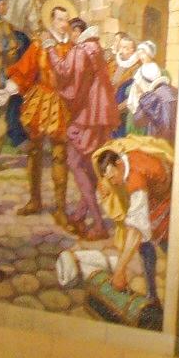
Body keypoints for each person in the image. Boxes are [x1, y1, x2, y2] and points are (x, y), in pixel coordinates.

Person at [0, 2, 74, 228]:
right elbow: (25, 70)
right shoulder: (39, 44)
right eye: (59, 19)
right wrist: (9, 91)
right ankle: (34, 200)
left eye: (66, 20)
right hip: (40, 101)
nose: (63, 24)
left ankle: (60, 209)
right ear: (51, 21)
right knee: (35, 152)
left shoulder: (73, 48)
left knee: (60, 155)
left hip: (62, 105)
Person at [60, 18, 121, 240]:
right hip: (101, 115)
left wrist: (50, 53)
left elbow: (70, 80)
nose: (70, 38)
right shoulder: (97, 48)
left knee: (75, 163)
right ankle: (80, 213)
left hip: (88, 116)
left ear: (78, 31)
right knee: (89, 165)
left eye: (71, 33)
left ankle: (98, 224)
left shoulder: (82, 50)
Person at [95, 137, 174, 305]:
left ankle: (168, 292)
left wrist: (119, 271)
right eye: (109, 179)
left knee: (163, 243)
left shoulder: (135, 177)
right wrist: (106, 185)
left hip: (166, 197)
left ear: (118, 164)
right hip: (152, 195)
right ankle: (152, 295)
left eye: (112, 177)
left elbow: (136, 230)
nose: (113, 181)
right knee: (144, 244)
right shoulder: (121, 160)